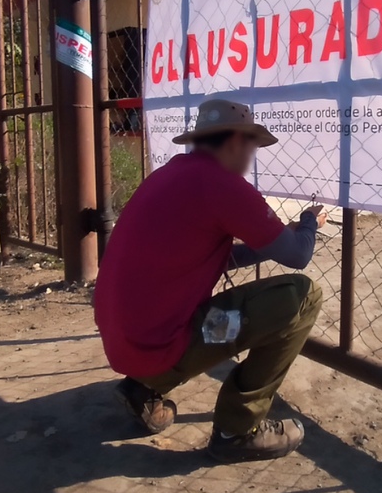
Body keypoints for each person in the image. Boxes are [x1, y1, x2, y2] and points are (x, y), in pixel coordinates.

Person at [94, 97, 326, 463]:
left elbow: (219, 256)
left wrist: (276, 238)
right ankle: (237, 431)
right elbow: (299, 257)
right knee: (303, 296)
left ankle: (142, 389)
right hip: (158, 347)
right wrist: (310, 223)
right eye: (252, 146)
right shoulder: (223, 185)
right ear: (235, 142)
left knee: (187, 311)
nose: (252, 157)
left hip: (124, 343)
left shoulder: (171, 176)